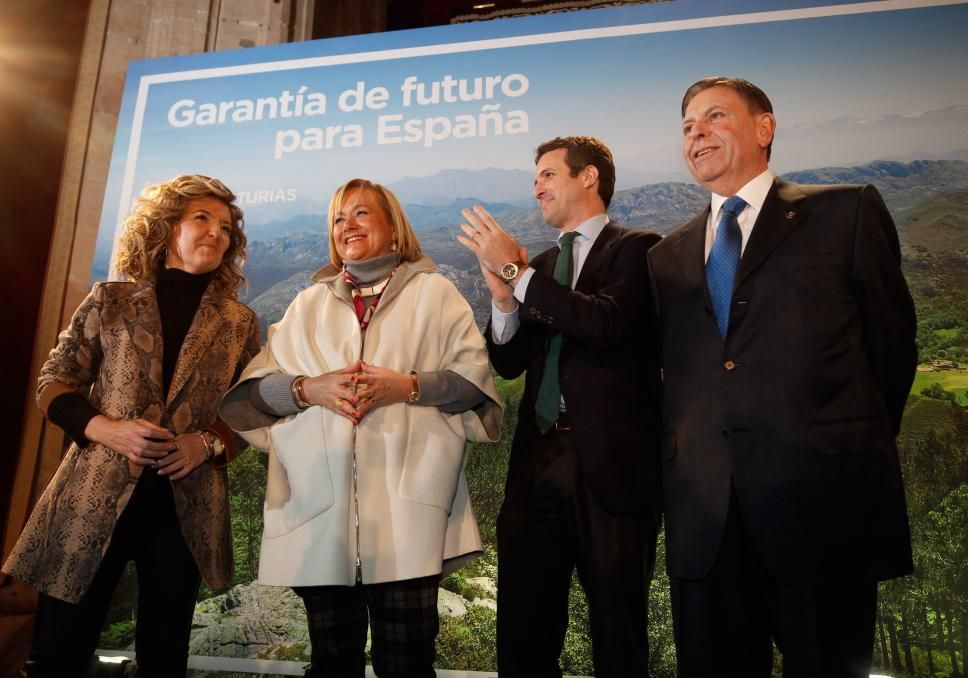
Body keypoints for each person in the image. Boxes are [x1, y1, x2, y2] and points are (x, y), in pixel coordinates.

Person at [646, 76, 918, 676]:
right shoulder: (665, 256)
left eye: (715, 116)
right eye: (688, 126)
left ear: (765, 127)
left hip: (823, 512)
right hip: (705, 525)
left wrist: (838, 443)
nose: (697, 133)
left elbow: (891, 349)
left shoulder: (844, 211)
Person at [218, 178, 501, 678]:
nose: (348, 224)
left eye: (362, 213)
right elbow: (253, 396)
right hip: (321, 518)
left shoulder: (436, 295)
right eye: (338, 217)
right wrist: (310, 389)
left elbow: (474, 385)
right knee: (331, 664)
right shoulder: (307, 305)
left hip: (409, 519)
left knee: (407, 664)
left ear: (393, 227)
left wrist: (407, 386)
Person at [3, 174, 260, 676]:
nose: (216, 233)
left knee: (164, 658)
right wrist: (105, 428)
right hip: (92, 498)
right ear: (167, 229)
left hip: (185, 505)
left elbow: (249, 410)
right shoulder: (110, 299)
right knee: (59, 652)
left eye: (226, 227)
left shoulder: (239, 322)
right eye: (201, 218)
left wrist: (205, 444)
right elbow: (54, 383)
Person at [456, 136, 662, 677]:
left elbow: (604, 323)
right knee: (524, 628)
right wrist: (503, 301)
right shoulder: (541, 265)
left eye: (548, 174)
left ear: (588, 177)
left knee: (617, 631)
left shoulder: (641, 248)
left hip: (612, 471)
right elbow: (509, 362)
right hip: (537, 464)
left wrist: (515, 276)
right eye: (536, 178)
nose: (537, 187)